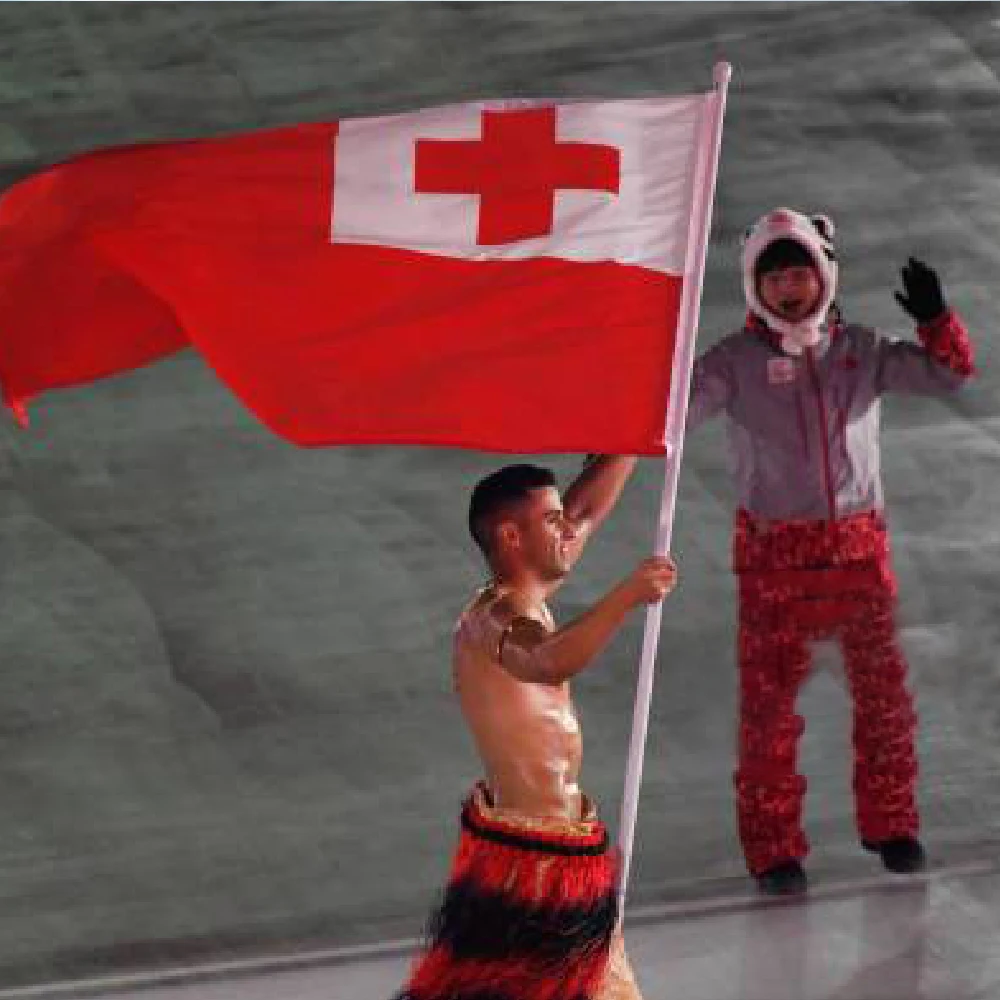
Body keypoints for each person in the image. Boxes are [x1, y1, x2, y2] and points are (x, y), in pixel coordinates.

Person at [687, 207, 976, 895]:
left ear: (824, 275)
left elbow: (948, 376)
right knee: (769, 710)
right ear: (756, 287)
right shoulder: (734, 362)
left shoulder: (863, 351)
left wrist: (937, 321)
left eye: (802, 274)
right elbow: (673, 410)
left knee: (883, 699)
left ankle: (893, 823)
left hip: (856, 552)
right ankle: (774, 849)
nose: (792, 291)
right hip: (775, 560)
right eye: (777, 278)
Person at [395, 457, 677, 1000]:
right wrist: (626, 595)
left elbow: (586, 509)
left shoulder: (525, 596)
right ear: (510, 535)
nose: (568, 529)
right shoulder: (491, 621)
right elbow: (546, 662)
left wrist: (634, 436)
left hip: (562, 849)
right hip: (534, 860)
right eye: (551, 521)